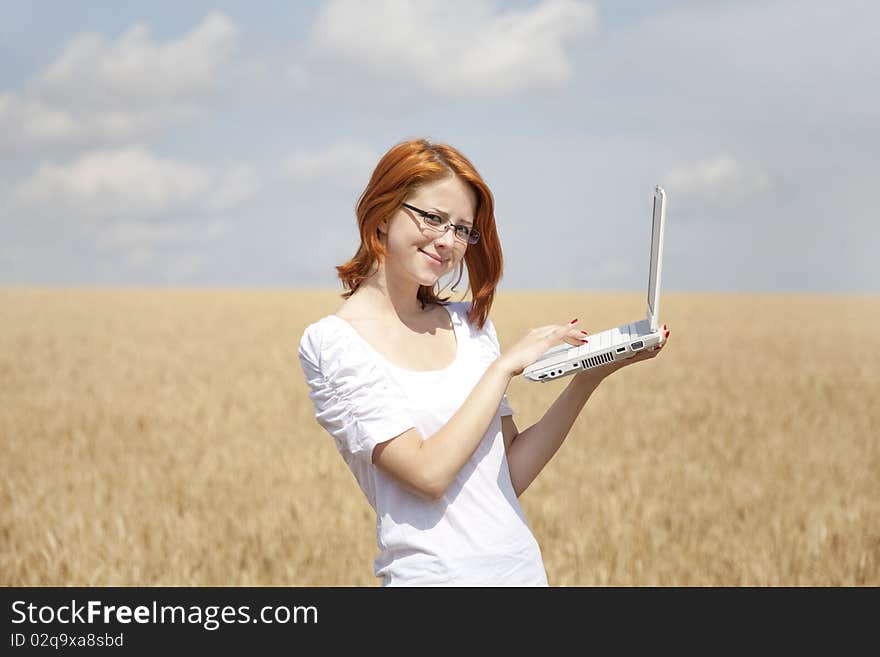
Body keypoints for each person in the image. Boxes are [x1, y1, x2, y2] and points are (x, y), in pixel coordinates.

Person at [297, 138, 670, 586]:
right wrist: (502, 368)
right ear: (382, 213)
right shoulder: (335, 343)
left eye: (462, 229)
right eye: (433, 218)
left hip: (522, 575)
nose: (448, 241)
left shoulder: (468, 325)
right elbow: (426, 473)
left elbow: (509, 471)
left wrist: (586, 380)